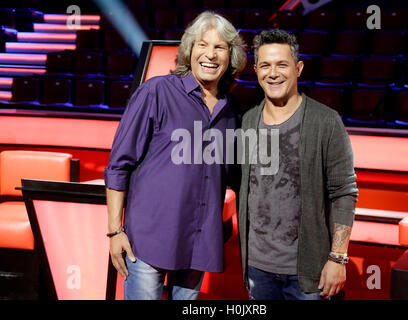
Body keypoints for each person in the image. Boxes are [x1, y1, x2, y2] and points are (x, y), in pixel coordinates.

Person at [104, 11, 246, 300]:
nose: (210, 54)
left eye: (219, 47)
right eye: (202, 45)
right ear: (189, 51)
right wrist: (114, 231)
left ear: (231, 56)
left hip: (198, 242)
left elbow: (231, 176)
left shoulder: (231, 110)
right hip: (146, 240)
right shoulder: (156, 92)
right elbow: (119, 165)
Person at [237, 29, 358, 300]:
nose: (273, 73)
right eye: (265, 65)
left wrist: (337, 259)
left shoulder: (326, 121)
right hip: (258, 269)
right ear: (256, 70)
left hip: (310, 272)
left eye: (282, 64)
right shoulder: (247, 122)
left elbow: (344, 193)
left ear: (298, 68)